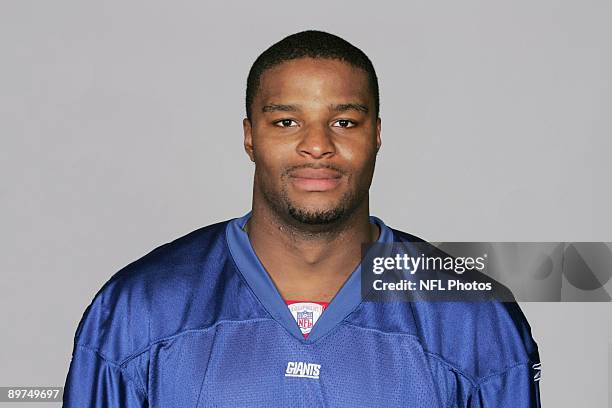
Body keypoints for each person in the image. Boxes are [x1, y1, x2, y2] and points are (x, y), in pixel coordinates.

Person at [63, 30, 541, 407]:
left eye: (345, 122)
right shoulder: (137, 309)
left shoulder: (475, 318)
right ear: (250, 137)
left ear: (376, 134)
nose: (317, 145)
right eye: (286, 121)